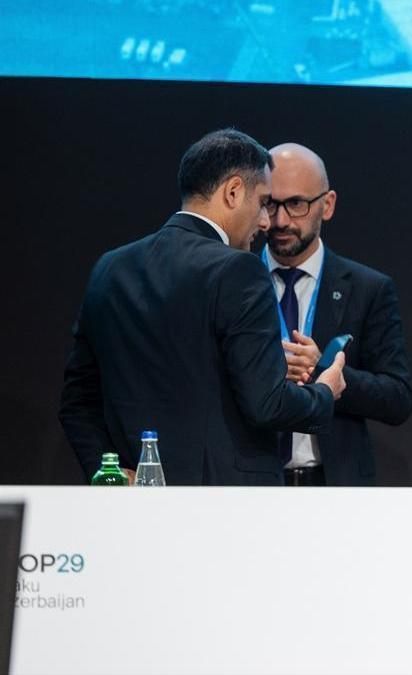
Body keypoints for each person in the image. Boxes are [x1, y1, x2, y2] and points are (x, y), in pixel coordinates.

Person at [59, 128, 347, 486]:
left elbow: (77, 402)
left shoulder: (110, 267)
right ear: (232, 192)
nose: (265, 222)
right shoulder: (238, 270)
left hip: (133, 509)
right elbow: (267, 404)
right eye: (262, 203)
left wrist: (109, 474)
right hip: (222, 508)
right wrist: (324, 392)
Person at [264, 142, 412, 486]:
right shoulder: (234, 283)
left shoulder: (367, 288)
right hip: (253, 483)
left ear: (327, 205)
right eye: (270, 204)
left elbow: (398, 398)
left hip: (335, 486)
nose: (281, 220)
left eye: (296, 204)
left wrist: (326, 372)